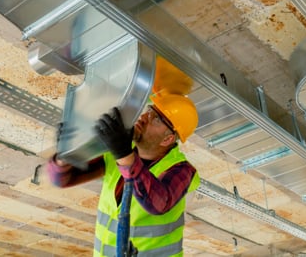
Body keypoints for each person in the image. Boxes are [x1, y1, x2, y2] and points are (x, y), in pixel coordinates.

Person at [47, 93, 200, 257]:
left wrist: (124, 155)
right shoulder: (119, 153)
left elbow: (158, 203)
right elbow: (63, 179)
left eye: (156, 119)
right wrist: (65, 156)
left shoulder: (183, 170)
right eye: (149, 110)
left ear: (167, 139)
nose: (144, 117)